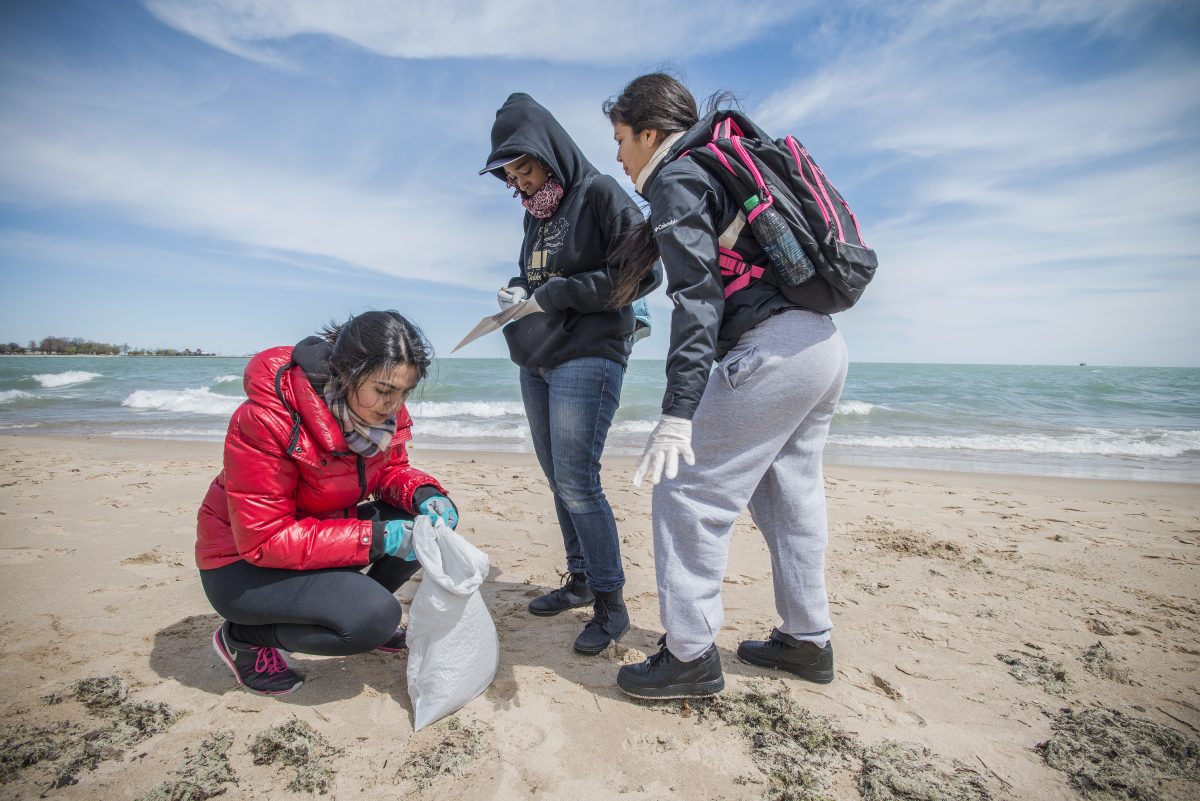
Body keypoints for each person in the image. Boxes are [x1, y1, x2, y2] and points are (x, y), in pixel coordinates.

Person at [602, 74, 849, 698]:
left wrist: (678, 413)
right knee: (790, 500)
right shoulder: (723, 163)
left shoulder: (679, 177)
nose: (619, 154)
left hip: (771, 351)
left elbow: (696, 301)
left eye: (621, 138)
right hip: (820, 345)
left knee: (684, 492)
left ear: (650, 134)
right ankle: (807, 640)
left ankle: (688, 656)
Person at [479, 93, 661, 655]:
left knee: (579, 481)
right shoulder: (535, 216)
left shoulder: (600, 194)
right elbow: (536, 276)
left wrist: (557, 292)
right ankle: (580, 579)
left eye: (525, 168)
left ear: (551, 152)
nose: (520, 183)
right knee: (558, 478)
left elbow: (643, 273)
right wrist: (518, 294)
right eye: (510, 176)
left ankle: (610, 603)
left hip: (591, 354)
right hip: (540, 359)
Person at [195, 311, 458, 695]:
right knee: (372, 620)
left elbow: (388, 471)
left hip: (318, 537)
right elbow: (263, 538)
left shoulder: (381, 413)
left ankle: (349, 603)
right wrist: (377, 538)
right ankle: (244, 638)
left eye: (404, 391)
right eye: (384, 390)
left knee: (422, 523)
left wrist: (424, 493)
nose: (394, 405)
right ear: (346, 372)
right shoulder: (267, 418)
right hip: (242, 566)